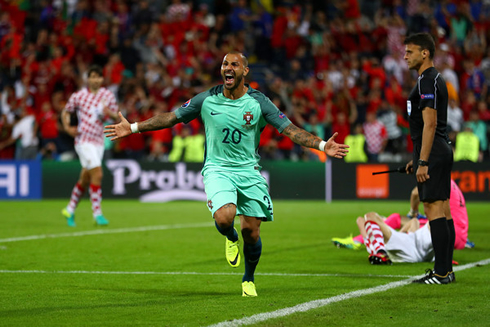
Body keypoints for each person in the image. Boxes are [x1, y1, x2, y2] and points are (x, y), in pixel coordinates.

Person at [104, 52, 349, 297]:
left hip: (248, 171)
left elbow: (289, 129)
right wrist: (134, 127)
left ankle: (249, 278)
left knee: (251, 233)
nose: (228, 68)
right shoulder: (206, 99)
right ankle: (230, 236)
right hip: (217, 168)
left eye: (234, 64)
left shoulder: (259, 102)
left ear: (245, 71)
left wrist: (321, 145)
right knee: (224, 217)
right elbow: (171, 118)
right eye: (224, 64)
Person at [403, 33, 454, 284]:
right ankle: (446, 270)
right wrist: (417, 157)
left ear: (425, 53)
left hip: (433, 152)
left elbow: (430, 124)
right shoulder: (430, 80)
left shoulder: (428, 80)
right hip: (435, 150)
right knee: (443, 209)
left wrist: (423, 161)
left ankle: (441, 272)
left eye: (409, 51)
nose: (405, 56)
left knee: (433, 208)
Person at [332, 179, 470, 251]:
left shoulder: (437, 177)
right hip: (460, 234)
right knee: (410, 222)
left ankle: (359, 240)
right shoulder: (450, 182)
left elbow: (416, 193)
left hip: (450, 234)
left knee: (397, 218)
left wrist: (413, 212)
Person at [61, 65, 119, 227]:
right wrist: (67, 127)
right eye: (92, 76)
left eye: (98, 77)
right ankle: (97, 214)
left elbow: (116, 116)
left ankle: (70, 209)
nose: (95, 80)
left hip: (99, 141)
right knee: (98, 173)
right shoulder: (79, 96)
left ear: (101, 79)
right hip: (83, 140)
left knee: (86, 177)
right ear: (88, 78)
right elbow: (65, 111)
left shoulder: (107, 95)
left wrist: (109, 112)